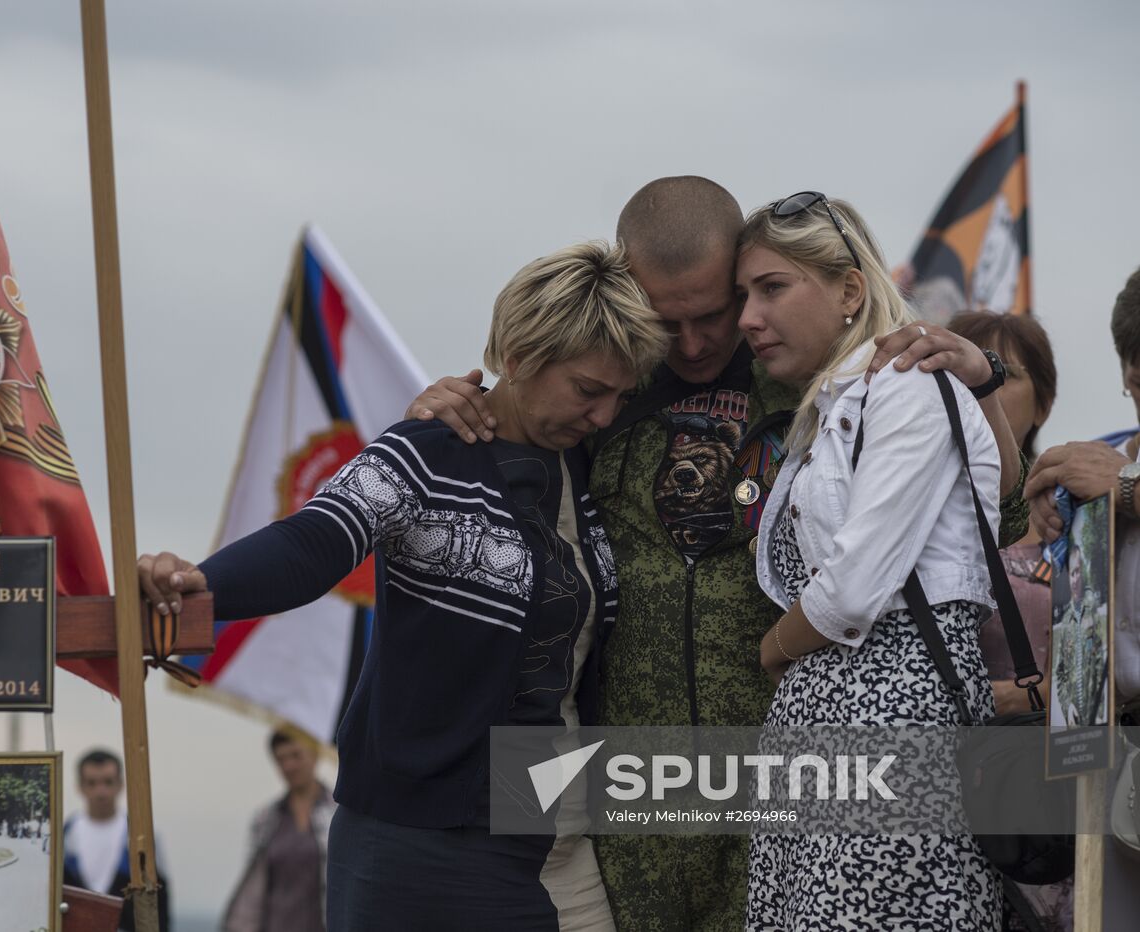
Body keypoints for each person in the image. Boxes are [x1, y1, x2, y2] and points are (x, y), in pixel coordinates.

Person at [405, 177, 1027, 930]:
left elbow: (992, 516)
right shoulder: (603, 389)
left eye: (716, 313)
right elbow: (506, 454)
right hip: (629, 788)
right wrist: (449, 415)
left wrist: (983, 382)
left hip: (789, 769)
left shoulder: (815, 379)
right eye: (670, 323)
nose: (696, 343)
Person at [140, 241, 669, 930]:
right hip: (408, 832)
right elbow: (313, 542)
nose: (603, 414)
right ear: (519, 353)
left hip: (535, 823)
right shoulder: (424, 451)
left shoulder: (590, 462)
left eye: (619, 397)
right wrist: (197, 582)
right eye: (588, 391)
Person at [737, 193, 1002, 929]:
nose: (746, 319)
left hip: (892, 717)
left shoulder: (909, 387)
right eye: (743, 295)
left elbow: (853, 590)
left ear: (850, 289)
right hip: (830, 721)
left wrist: (772, 649)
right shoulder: (835, 403)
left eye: (771, 287)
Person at [948, 311, 1070, 932]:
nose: (980, 389)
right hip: (943, 814)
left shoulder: (1083, 520)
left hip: (1047, 817)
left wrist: (1041, 695)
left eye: (1003, 374)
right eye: (965, 371)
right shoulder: (922, 520)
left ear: (1045, 399)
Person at [1027, 266, 1140, 711]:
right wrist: (1047, 513)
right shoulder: (1094, 459)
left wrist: (1125, 488)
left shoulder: (1110, 470)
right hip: (1106, 741)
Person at [222, 729, 338, 932]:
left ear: (314, 754)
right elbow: (253, 886)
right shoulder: (265, 819)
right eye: (281, 759)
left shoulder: (338, 814)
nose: (289, 766)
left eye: (295, 755)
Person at [64, 749, 171, 932]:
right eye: (92, 783)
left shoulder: (142, 837)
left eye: (108, 782)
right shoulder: (64, 837)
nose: (101, 791)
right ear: (80, 787)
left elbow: (160, 898)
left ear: (120, 784)